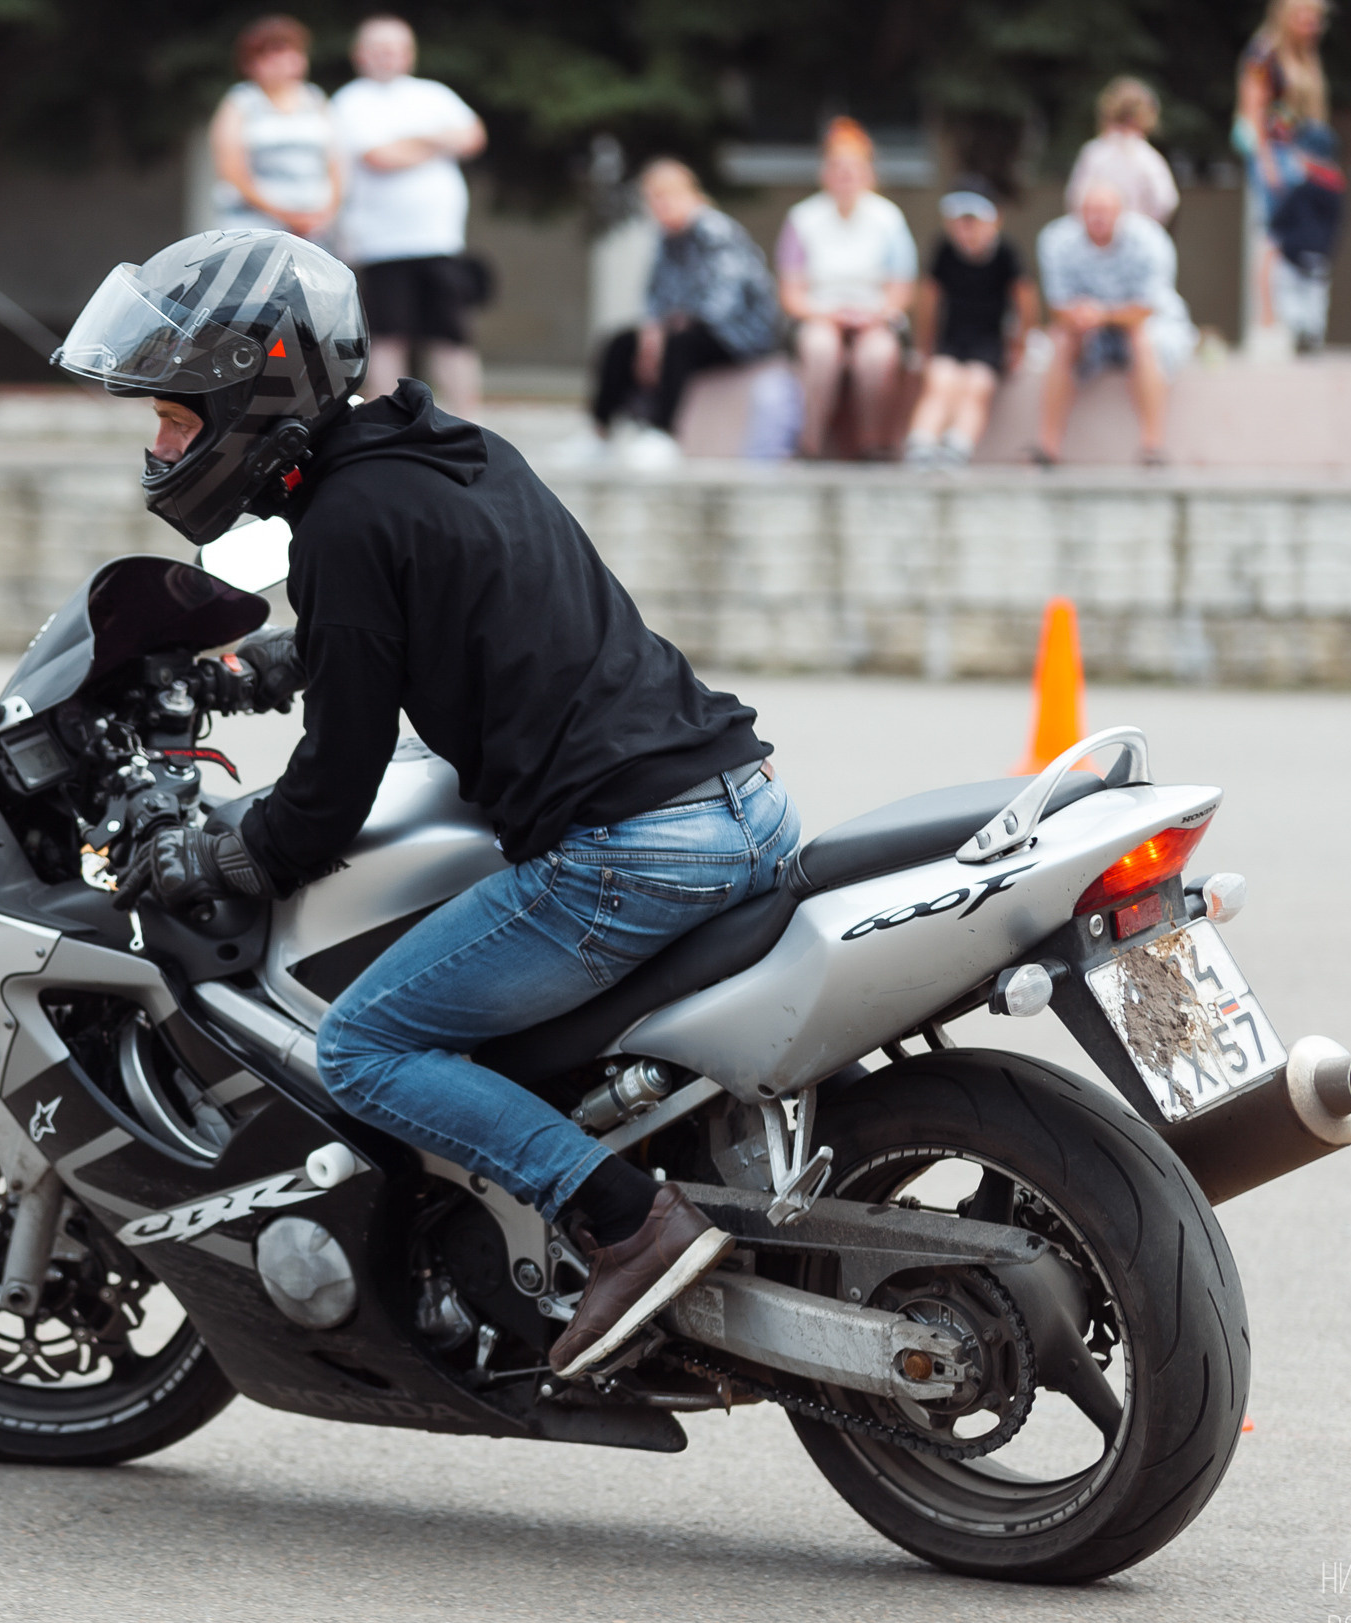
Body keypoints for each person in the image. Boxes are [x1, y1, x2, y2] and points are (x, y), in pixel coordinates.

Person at [53, 229, 797, 1378]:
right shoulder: (445, 449)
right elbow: (451, 607)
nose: (158, 448)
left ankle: (626, 1224)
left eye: (172, 419)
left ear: (250, 398)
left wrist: (221, 856)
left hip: (630, 852)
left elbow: (328, 795)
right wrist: (270, 665)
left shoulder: (344, 525)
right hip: (738, 802)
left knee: (365, 1046)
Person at [573, 158, 779, 469]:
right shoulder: (667, 237)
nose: (659, 206)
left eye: (665, 196)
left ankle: (663, 433)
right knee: (620, 343)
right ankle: (600, 434)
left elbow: (723, 301)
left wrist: (665, 330)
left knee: (678, 345)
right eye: (653, 199)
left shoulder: (714, 231)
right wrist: (650, 332)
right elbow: (655, 293)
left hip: (739, 335)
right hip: (684, 327)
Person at [332, 15, 487, 415]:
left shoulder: (434, 94)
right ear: (360, 54)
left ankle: (468, 419)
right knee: (388, 336)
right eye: (378, 49)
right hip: (381, 242)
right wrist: (437, 141)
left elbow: (473, 136)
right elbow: (379, 157)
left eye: (395, 49)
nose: (387, 57)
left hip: (439, 239)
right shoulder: (350, 101)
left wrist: (411, 142)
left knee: (451, 334)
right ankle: (388, 421)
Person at [775, 119, 917, 459]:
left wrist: (874, 315)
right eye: (837, 167)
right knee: (820, 349)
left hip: (873, 314)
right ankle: (809, 442)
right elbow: (791, 293)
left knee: (877, 356)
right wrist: (827, 315)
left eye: (853, 168)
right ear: (824, 173)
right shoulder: (802, 219)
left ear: (869, 174)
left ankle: (873, 444)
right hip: (819, 313)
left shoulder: (888, 219)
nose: (845, 176)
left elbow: (901, 289)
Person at [1033, 180, 1194, 467]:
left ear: (1122, 212)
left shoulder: (1149, 240)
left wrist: (1103, 314)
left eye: (1105, 210)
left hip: (1145, 325)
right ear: (1077, 212)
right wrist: (1082, 316)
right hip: (1087, 328)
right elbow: (1057, 307)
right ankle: (1047, 447)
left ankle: (1152, 447)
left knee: (1142, 338)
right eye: (1090, 210)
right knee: (1062, 339)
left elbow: (1147, 308)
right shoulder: (1056, 240)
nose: (1098, 217)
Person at [902, 182, 1035, 471]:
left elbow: (1025, 300)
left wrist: (1019, 344)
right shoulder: (944, 250)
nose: (965, 230)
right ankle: (921, 444)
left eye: (972, 222)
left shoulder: (1005, 254)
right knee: (940, 381)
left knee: (977, 385)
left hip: (988, 341)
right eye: (959, 222)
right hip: (951, 338)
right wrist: (925, 343)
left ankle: (958, 446)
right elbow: (929, 299)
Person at [1236, 0, 1340, 353]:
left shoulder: (1306, 55)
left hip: (1304, 158)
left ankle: (1300, 326)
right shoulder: (1264, 53)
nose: (1311, 26)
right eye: (1303, 18)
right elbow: (1253, 112)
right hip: (1276, 156)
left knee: (1302, 241)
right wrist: (1266, 163)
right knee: (1274, 238)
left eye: (1316, 20)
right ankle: (1268, 325)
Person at [208, 16, 341, 243]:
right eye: (274, 55)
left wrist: (325, 213)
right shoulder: (240, 102)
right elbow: (231, 170)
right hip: (254, 229)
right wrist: (285, 215)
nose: (285, 62)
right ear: (252, 63)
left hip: (314, 230)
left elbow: (336, 164)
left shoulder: (315, 99)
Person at [1066, 77, 1179, 227]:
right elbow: (1166, 201)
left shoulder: (1093, 153)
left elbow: (1075, 199)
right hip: (1137, 234)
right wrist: (1145, 225)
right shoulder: (1147, 156)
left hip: (1097, 235)